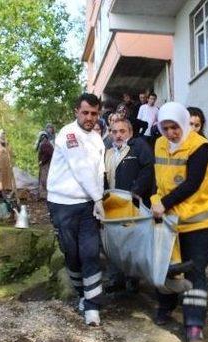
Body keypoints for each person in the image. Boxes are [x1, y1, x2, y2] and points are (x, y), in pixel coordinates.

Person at [150, 102, 208, 342]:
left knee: (194, 272)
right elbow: (154, 177)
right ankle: (165, 307)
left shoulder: (201, 147)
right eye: (165, 128)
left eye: (175, 127)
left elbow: (192, 184)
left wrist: (164, 203)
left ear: (183, 122)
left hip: (198, 223)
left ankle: (194, 325)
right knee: (164, 267)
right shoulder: (159, 144)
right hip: (168, 219)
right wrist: (150, 200)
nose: (170, 133)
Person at [47, 93, 106, 326]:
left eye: (94, 113)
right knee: (72, 255)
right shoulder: (68, 134)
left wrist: (98, 200)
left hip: (88, 204)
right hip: (63, 204)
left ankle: (93, 307)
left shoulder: (98, 140)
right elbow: (80, 168)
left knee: (91, 253)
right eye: (85, 113)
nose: (90, 117)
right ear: (76, 112)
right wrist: (99, 198)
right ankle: (83, 295)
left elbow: (99, 173)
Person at [103, 117, 154, 293]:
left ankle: (133, 280)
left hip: (132, 204)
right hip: (112, 205)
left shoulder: (139, 147)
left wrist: (136, 191)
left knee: (132, 242)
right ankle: (116, 279)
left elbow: (149, 169)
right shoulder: (107, 152)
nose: (118, 135)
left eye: (122, 131)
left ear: (130, 132)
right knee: (114, 243)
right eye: (114, 131)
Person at [0, 129, 15, 196]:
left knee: (6, 179)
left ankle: (6, 191)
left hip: (6, 165)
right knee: (0, 178)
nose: (3, 135)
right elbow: (0, 152)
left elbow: (10, 153)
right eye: (2, 134)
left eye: (4, 134)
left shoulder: (6, 144)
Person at [36, 124, 55, 198]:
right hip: (46, 163)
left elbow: (48, 154)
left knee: (44, 178)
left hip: (46, 164)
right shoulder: (45, 143)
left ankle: (45, 195)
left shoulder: (45, 144)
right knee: (43, 178)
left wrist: (42, 161)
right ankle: (43, 194)